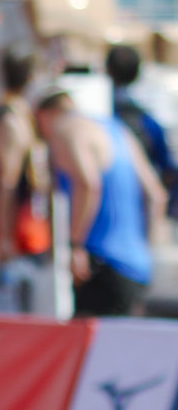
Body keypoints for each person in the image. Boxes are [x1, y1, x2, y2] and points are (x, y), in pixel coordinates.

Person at [36, 85, 165, 317]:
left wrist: (75, 246)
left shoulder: (65, 128)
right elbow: (156, 196)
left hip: (98, 264)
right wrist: (144, 250)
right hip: (136, 268)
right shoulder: (117, 129)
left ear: (44, 115)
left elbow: (87, 184)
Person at [0, 48, 51, 264]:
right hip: (18, 230)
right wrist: (4, 240)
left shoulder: (22, 115)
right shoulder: (10, 121)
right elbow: (6, 182)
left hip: (26, 223)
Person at [105, 42, 177, 213]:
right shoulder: (148, 122)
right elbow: (166, 168)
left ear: (107, 70)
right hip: (141, 208)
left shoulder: (99, 118)